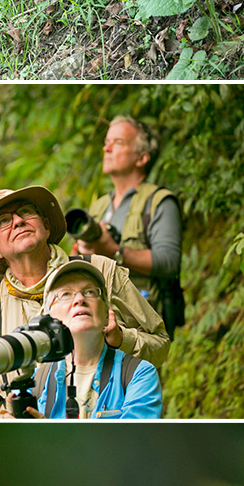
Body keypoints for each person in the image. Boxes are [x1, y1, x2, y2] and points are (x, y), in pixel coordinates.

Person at [0, 186, 169, 419]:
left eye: (26, 211)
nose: (18, 221)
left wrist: (122, 339)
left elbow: (160, 346)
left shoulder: (101, 271)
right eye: (2, 221)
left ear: (46, 225)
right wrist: (12, 422)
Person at [74, 116, 184, 337]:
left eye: (118, 142)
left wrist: (114, 251)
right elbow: (74, 261)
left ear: (142, 157)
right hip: (97, 325)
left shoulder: (159, 202)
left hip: (140, 328)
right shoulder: (99, 206)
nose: (107, 148)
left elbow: (169, 262)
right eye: (106, 141)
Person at [30, 261, 162, 419]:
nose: (79, 299)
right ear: (49, 317)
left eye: (90, 292)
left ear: (107, 313)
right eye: (65, 294)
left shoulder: (139, 374)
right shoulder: (36, 383)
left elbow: (131, 441)